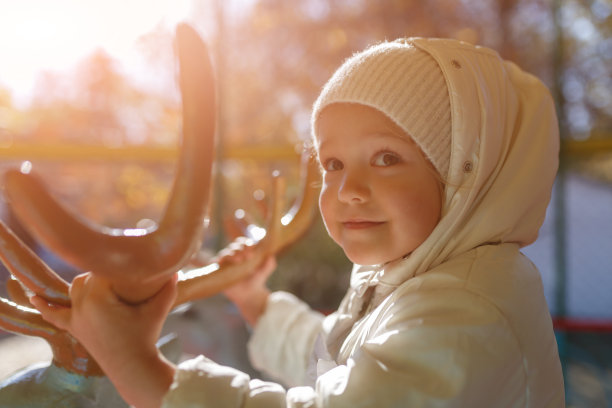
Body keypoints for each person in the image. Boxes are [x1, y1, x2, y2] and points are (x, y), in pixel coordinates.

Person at [31, 37, 565, 407]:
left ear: (463, 174)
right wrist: (256, 302)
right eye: (333, 164)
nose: (349, 190)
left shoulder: (466, 312)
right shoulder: (420, 279)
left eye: (385, 157)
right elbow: (329, 355)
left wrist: (138, 367)